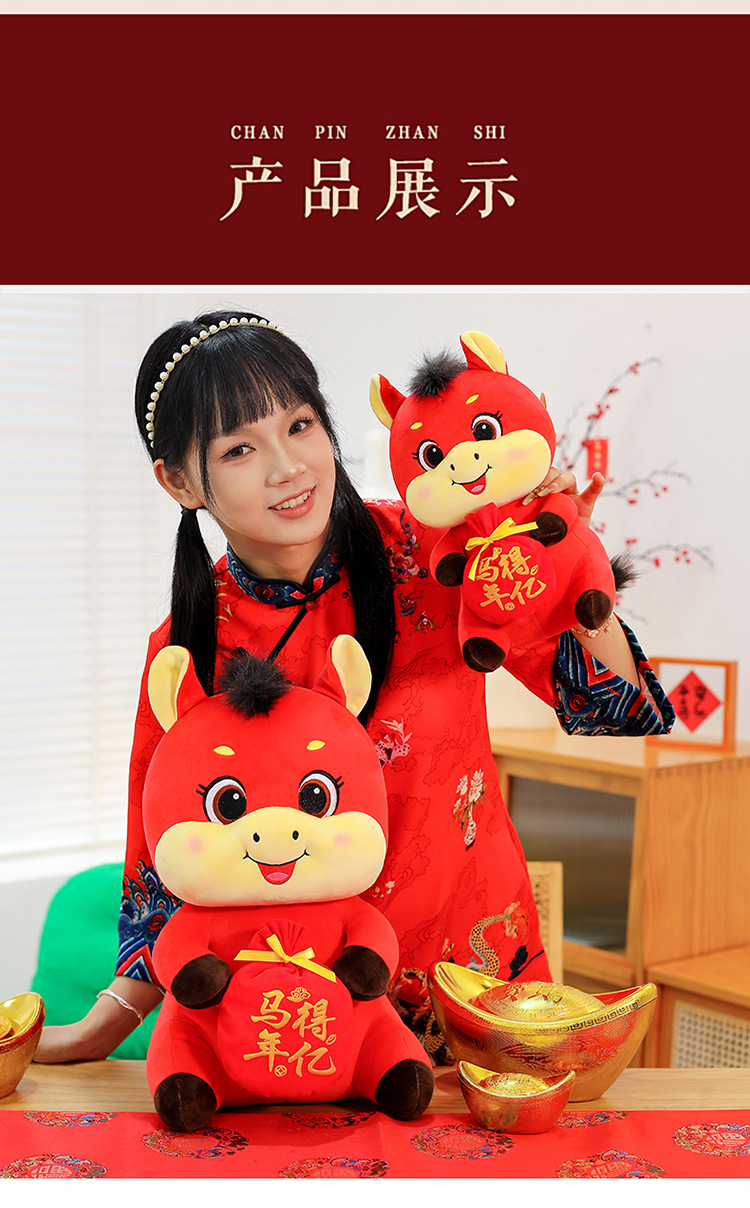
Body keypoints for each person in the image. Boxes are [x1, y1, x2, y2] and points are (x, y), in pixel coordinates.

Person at [35, 310, 673, 1065]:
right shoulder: (188, 652)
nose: (288, 468)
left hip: (475, 1001)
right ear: (179, 480)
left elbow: (612, 709)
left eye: (300, 425)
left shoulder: (435, 555)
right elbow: (165, 870)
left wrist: (573, 570)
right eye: (239, 448)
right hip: (295, 1029)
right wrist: (102, 1026)